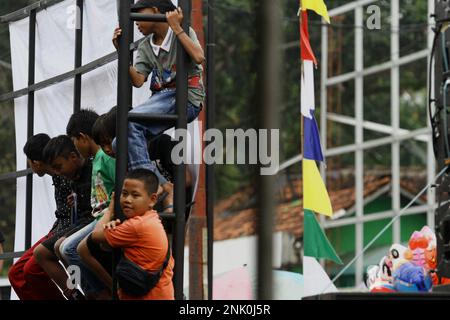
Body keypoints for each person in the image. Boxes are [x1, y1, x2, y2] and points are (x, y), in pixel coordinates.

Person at [112, 0, 205, 213]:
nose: (135, 22)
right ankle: (163, 184)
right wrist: (122, 52)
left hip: (185, 97)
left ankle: (148, 185)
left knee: (132, 121)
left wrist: (177, 28)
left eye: (138, 13)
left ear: (155, 11)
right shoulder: (146, 45)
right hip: (162, 97)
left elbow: (199, 57)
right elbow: (138, 80)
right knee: (120, 143)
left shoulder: (181, 32)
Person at [56, 109, 115, 299]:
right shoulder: (96, 159)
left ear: (82, 137)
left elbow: (119, 185)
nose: (75, 147)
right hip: (97, 216)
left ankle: (105, 290)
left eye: (74, 141)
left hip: (106, 216)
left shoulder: (106, 158)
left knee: (68, 248)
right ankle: (96, 291)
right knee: (64, 247)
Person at [91, 169, 174, 300]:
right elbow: (104, 246)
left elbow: (95, 236)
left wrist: (110, 210)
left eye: (135, 195)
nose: (127, 200)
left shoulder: (136, 226)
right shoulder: (152, 218)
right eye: (124, 194)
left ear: (152, 200)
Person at [32, 135, 94, 300]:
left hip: (90, 220)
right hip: (79, 222)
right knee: (41, 253)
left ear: (74, 156)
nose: (58, 173)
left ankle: (89, 291)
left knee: (63, 247)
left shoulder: (92, 167)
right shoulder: (73, 175)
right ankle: (74, 293)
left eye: (59, 167)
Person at [8, 133, 68, 300]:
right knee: (16, 272)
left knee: (30, 269)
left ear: (35, 162)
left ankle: (70, 294)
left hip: (66, 230)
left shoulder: (67, 174)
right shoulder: (58, 175)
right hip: (58, 229)